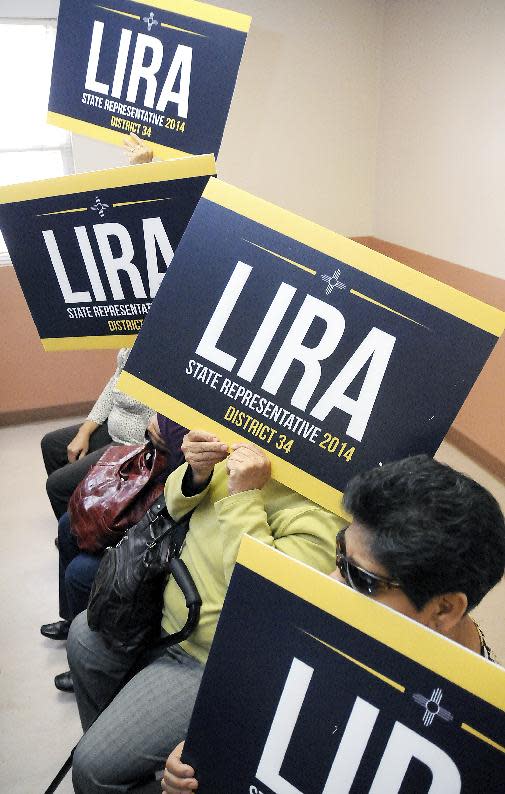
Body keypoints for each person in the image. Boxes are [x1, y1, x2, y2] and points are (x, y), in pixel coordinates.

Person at [160, 454, 505, 793]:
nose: (331, 580)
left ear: (444, 609)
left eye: (361, 578)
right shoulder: (314, 634)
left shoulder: (479, 747)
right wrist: (200, 757)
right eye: (340, 553)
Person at [66, 429, 342, 794]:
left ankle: (120, 762)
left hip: (211, 656)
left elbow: (264, 599)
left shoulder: (325, 509)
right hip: (162, 608)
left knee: (91, 767)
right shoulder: (247, 446)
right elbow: (174, 504)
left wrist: (243, 496)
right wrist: (197, 472)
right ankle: (129, 752)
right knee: (84, 636)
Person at [41, 416, 187, 693]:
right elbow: (157, 425)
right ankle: (72, 621)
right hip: (157, 471)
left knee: (80, 573)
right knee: (70, 523)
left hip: (175, 501)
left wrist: (167, 437)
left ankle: (98, 661)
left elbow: (189, 465)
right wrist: (154, 428)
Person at [41, 347, 155, 520]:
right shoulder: (130, 340)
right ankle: (78, 515)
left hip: (136, 440)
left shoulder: (165, 347)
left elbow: (133, 399)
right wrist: (84, 432)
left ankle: (81, 538)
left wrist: (123, 386)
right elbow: (113, 385)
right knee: (51, 445)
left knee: (57, 485)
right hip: (115, 426)